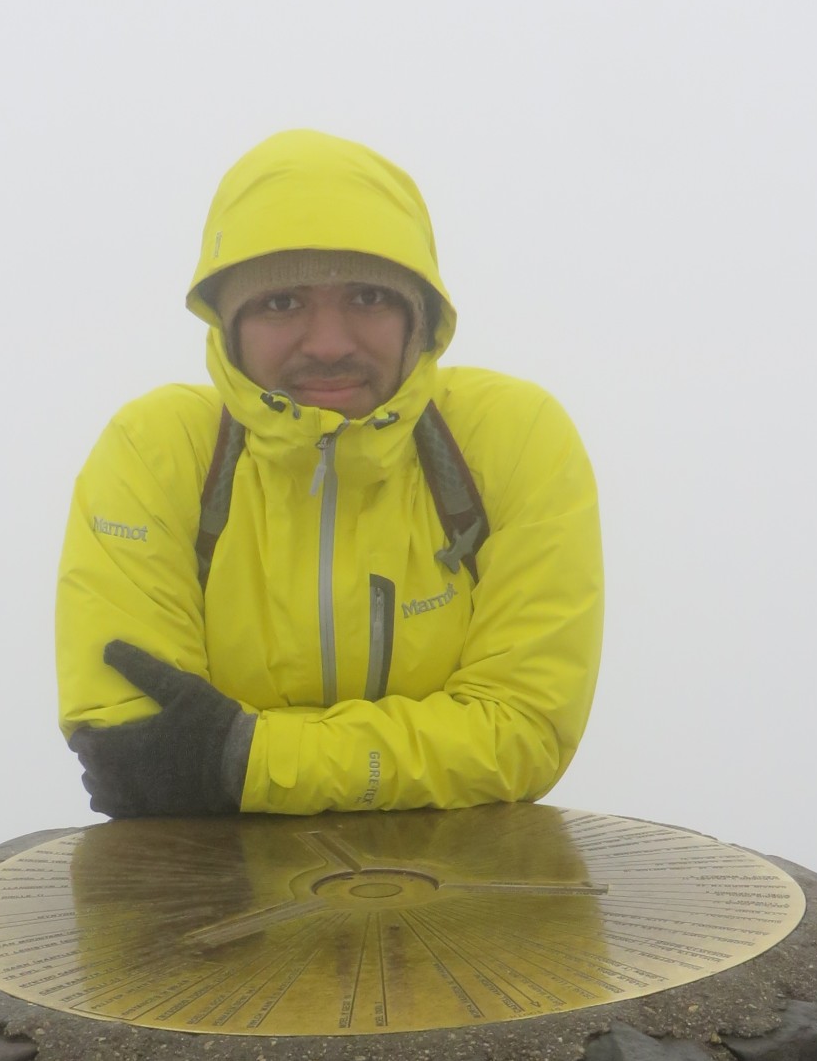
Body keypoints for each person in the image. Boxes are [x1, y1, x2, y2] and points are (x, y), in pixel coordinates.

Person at [55, 128, 603, 817]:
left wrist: (244, 756)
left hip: (465, 902)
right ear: (228, 327)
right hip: (207, 900)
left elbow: (525, 728)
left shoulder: (512, 441)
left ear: (419, 318)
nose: (329, 344)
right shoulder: (156, 450)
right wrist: (432, 749)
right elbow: (130, 740)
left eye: (368, 298)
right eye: (282, 303)